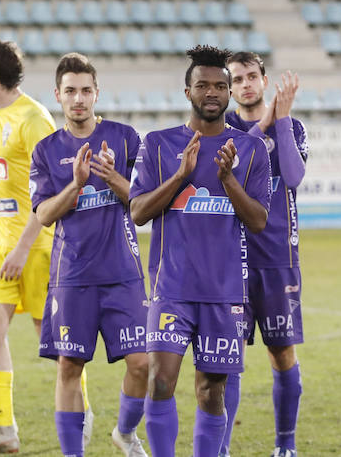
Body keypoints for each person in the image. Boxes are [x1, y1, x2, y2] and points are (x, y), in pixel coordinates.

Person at [130, 45, 272, 457]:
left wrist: (227, 179)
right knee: (160, 381)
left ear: (229, 93)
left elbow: (259, 220)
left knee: (212, 391)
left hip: (224, 292)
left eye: (220, 86)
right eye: (203, 85)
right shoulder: (158, 144)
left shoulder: (250, 149)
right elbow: (138, 211)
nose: (212, 92)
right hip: (171, 288)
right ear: (187, 91)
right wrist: (180, 176)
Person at [0, 39, 74, 454]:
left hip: (36, 245)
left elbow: (54, 190)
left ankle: (80, 411)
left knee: (55, 340)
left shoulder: (34, 118)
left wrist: (23, 248)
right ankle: (3, 428)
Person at [32, 53, 149, 457]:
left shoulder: (126, 137)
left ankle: (126, 432)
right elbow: (44, 215)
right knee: (69, 367)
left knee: (141, 364)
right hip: (73, 275)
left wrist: (113, 177)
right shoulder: (46, 150)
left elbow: (145, 204)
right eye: (70, 91)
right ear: (58, 96)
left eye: (85, 90)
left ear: (97, 93)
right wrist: (76, 185)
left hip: (123, 273)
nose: (78, 99)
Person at [220, 52, 308, 457]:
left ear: (265, 80)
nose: (246, 85)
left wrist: (282, 120)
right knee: (227, 358)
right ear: (229, 88)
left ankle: (284, 446)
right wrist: (266, 123)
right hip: (229, 259)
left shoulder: (293, 125)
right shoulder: (221, 130)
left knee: (281, 351)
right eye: (237, 79)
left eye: (251, 76)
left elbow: (291, 177)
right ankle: (220, 448)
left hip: (277, 259)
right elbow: (231, 175)